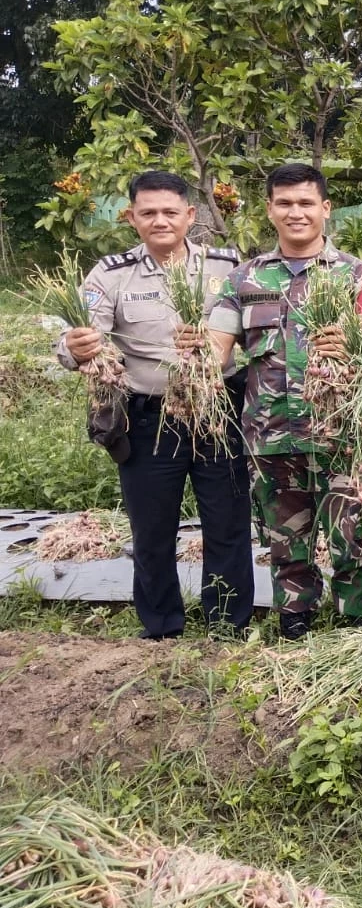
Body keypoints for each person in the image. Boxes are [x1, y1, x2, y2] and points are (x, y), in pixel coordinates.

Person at [55, 171, 254, 639]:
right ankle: (162, 624)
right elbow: (81, 338)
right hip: (148, 417)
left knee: (226, 522)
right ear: (131, 218)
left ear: (190, 215)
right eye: (148, 213)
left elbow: (258, 329)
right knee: (152, 526)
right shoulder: (112, 273)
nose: (160, 221)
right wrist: (76, 345)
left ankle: (227, 622)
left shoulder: (227, 267)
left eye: (170, 212)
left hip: (217, 410)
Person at [206, 162, 362, 640]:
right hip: (272, 434)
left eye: (306, 202)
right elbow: (216, 347)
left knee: (354, 534)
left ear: (326, 209)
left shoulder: (360, 277)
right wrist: (192, 350)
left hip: (343, 435)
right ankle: (295, 618)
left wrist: (354, 348)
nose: (295, 212)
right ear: (269, 210)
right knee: (285, 538)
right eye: (284, 203)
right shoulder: (244, 280)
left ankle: (360, 624)